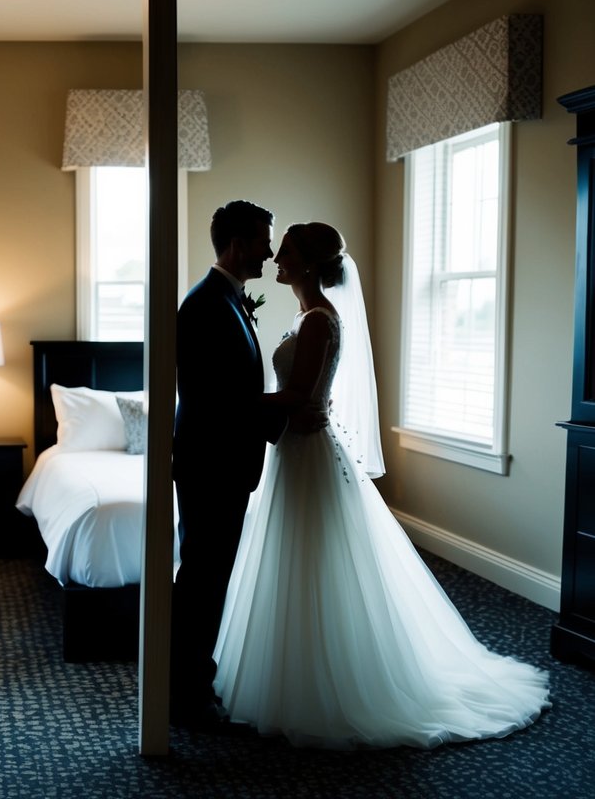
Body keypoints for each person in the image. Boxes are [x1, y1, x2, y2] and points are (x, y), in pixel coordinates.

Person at [213, 222, 550, 749]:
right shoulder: (307, 315)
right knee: (297, 559)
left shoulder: (321, 320)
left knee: (315, 561)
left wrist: (232, 400)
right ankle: (297, 668)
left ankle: (334, 685)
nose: (275, 259)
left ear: (305, 264)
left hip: (309, 454)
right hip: (292, 452)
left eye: (285, 253)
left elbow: (300, 395)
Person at [170, 200, 301, 729]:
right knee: (202, 575)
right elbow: (213, 401)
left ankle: (192, 678)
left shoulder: (228, 300)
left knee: (209, 574)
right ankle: (183, 692)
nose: (270, 252)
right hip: (211, 465)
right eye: (263, 241)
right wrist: (286, 408)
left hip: (224, 463)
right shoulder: (204, 306)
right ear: (238, 243)